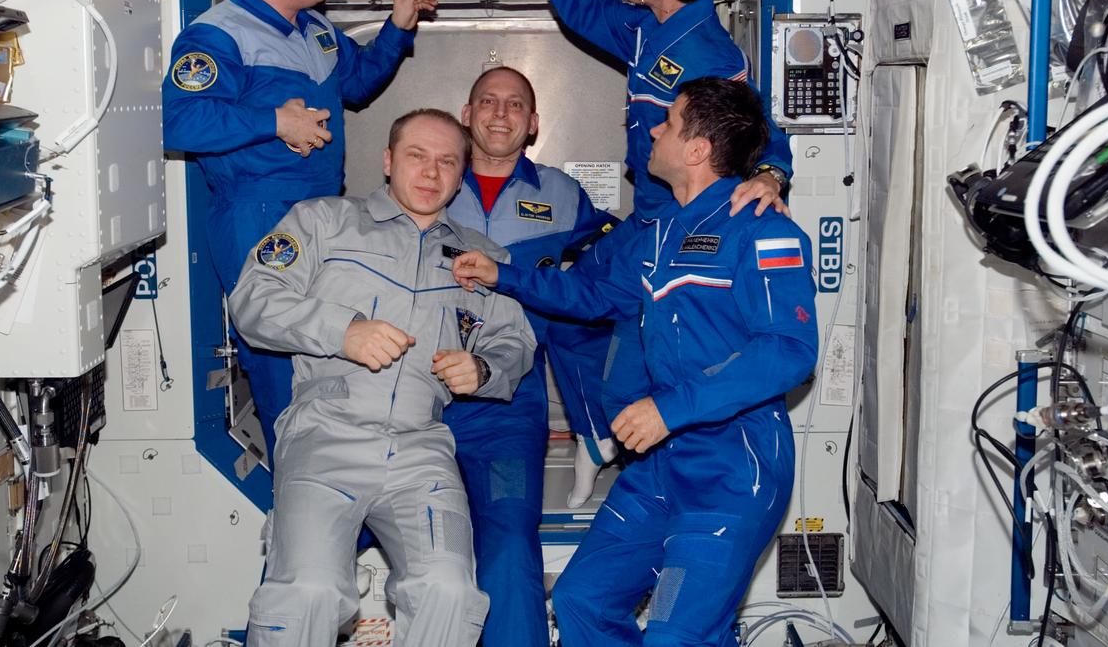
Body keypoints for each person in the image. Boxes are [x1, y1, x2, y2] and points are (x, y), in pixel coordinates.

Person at [452, 78, 819, 647]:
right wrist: (503, 275)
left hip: (731, 470)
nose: (653, 130)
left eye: (668, 122)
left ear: (697, 149)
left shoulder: (764, 230)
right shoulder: (658, 233)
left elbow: (789, 350)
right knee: (582, 601)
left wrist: (668, 410)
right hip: (660, 467)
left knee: (677, 635)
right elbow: (591, 294)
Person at [492, 0, 796, 442]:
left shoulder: (712, 56)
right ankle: (599, 441)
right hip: (644, 223)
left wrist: (770, 174)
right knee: (564, 309)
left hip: (680, 232)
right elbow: (582, 9)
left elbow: (761, 129)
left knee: (640, 381)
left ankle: (635, 445)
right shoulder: (645, 27)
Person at [229, 109, 536, 647]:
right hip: (326, 435)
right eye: (417, 156)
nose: (431, 172)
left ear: (460, 175)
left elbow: (516, 340)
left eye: (447, 162)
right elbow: (252, 299)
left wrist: (484, 368)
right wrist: (343, 330)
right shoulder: (323, 222)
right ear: (389, 160)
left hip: (421, 447)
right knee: (308, 592)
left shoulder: (482, 257)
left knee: (450, 592)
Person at [161, 0, 437, 464]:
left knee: (330, 350)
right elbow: (179, 121)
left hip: (326, 217)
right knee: (279, 362)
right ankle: (296, 493)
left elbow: (358, 84)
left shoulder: (317, 30)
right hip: (257, 217)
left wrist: (397, 27)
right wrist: (274, 122)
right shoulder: (218, 35)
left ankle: (342, 481)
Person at [443, 66, 617, 647]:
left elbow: (610, 273)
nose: (500, 113)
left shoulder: (562, 197)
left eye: (515, 104)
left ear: (534, 123)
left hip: (507, 404)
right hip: (417, 398)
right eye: (487, 101)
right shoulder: (432, 179)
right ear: (466, 115)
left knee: (510, 542)